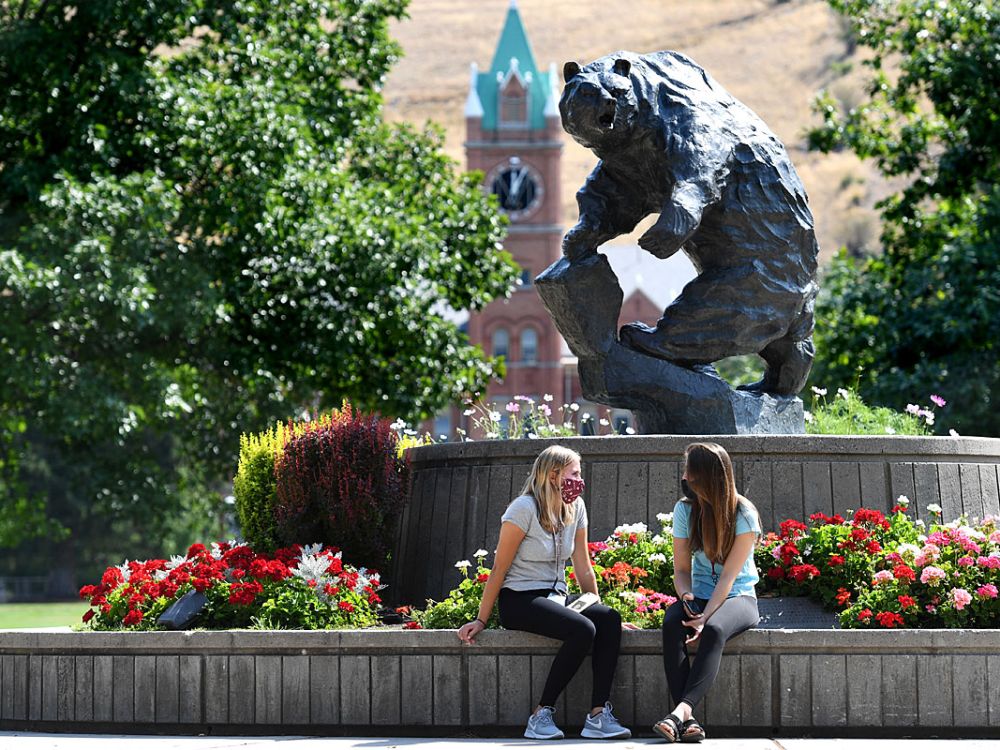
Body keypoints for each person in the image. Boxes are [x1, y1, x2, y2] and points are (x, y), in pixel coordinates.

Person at [457, 445, 631, 740]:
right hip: (520, 599)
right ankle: (541, 715)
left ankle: (598, 716)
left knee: (609, 620)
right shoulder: (523, 509)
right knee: (582, 629)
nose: (579, 480)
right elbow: (499, 569)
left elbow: (583, 567)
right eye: (573, 473)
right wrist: (481, 620)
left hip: (556, 598)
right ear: (553, 475)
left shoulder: (576, 508)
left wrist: (597, 606)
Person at [653, 442, 761, 743]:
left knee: (713, 629)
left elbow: (728, 577)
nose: (684, 476)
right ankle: (687, 723)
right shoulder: (684, 510)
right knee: (673, 620)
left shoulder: (743, 513)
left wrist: (703, 618)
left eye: (691, 471)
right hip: (698, 594)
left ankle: (680, 711)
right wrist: (686, 597)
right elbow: (681, 570)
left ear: (708, 477)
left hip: (738, 597)